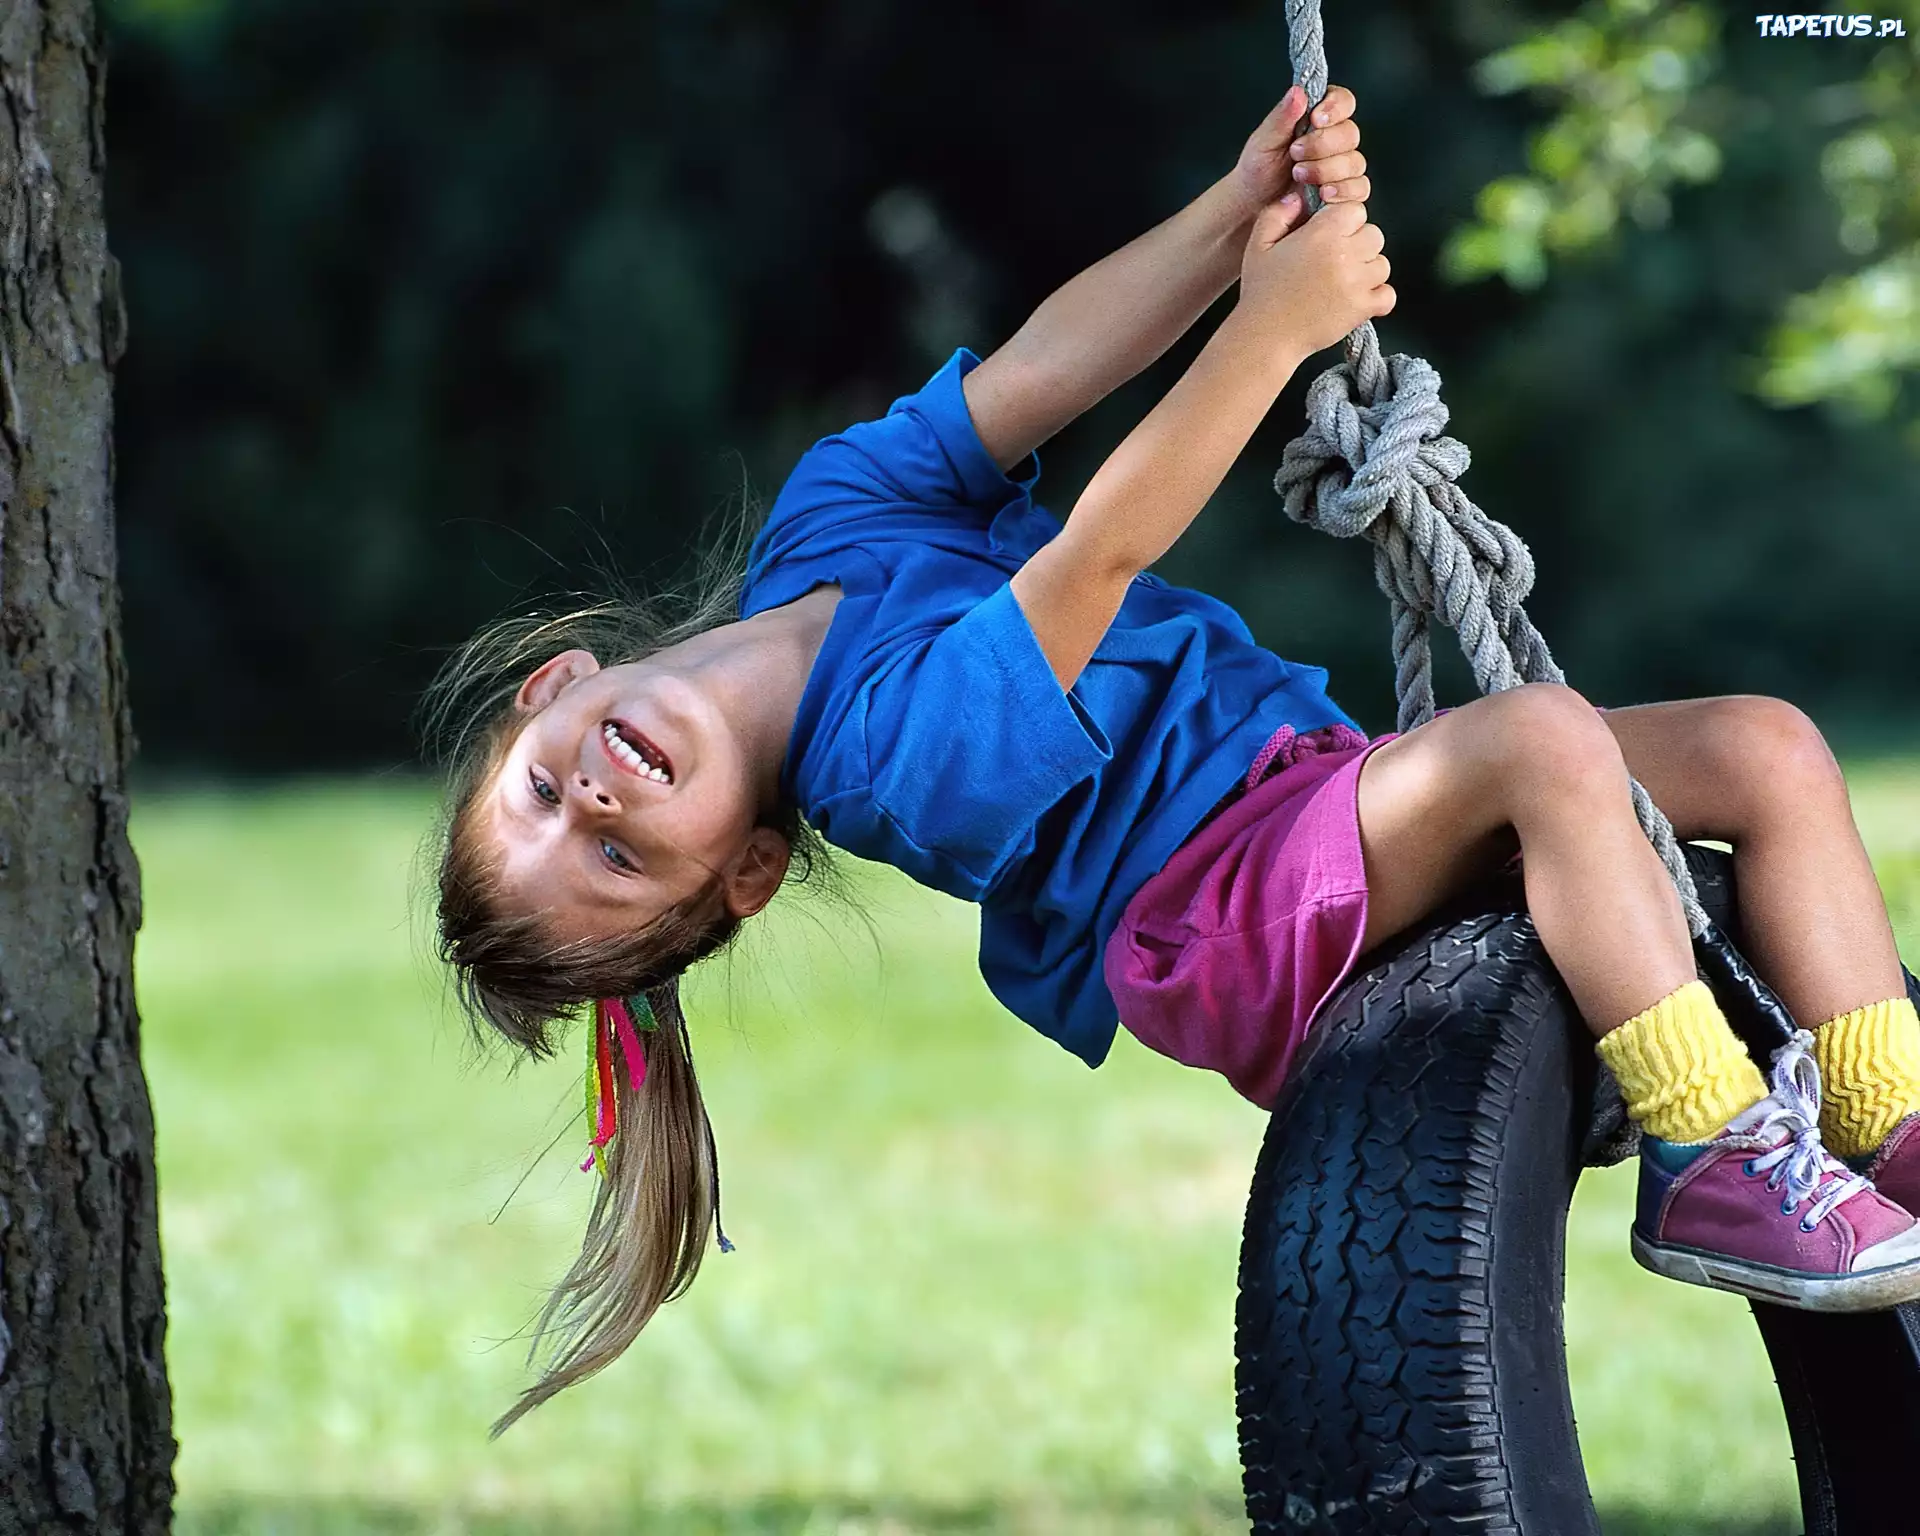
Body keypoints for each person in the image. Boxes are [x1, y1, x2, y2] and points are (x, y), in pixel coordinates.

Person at [427, 84, 1920, 1431]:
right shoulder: (890, 766)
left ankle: (1891, 1135)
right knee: (1539, 742)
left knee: (1765, 751)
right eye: (619, 859)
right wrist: (1271, 326)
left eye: (550, 795)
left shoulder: (825, 525)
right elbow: (1101, 551)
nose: (601, 798)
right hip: (1223, 909)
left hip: (1306, 796)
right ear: (750, 873)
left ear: (554, 686)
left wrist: (1229, 219)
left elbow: (1039, 368)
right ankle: (1718, 1151)